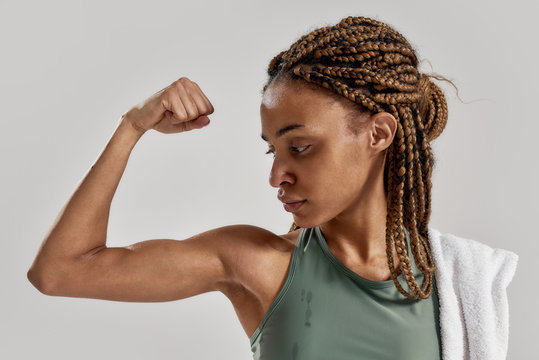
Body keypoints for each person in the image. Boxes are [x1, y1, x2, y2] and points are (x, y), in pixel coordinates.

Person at [27, 16, 518, 360]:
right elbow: (60, 273)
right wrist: (131, 128)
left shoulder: (457, 281)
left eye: (299, 147)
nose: (276, 175)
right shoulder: (257, 263)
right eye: (272, 151)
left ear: (379, 134)